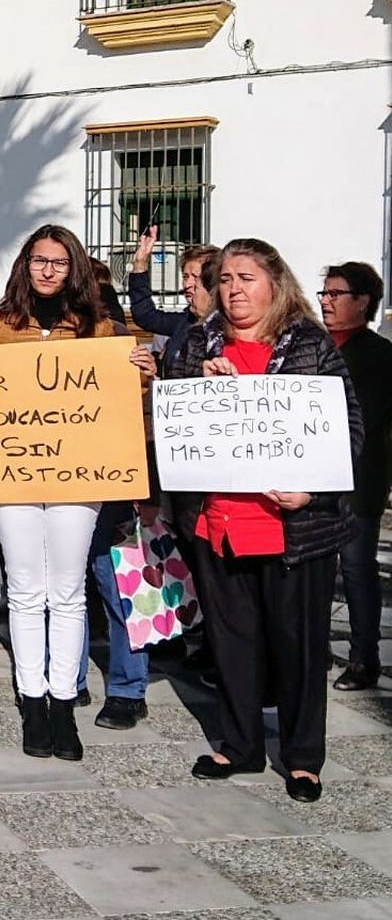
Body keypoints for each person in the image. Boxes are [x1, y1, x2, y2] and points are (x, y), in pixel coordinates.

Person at [169, 239, 363, 802]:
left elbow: (348, 431)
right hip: (219, 523)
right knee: (232, 644)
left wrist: (312, 492)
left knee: (298, 647)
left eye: (247, 278)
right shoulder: (198, 341)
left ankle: (303, 758)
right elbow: (173, 421)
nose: (234, 290)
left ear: (275, 283)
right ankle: (239, 743)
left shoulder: (309, 344)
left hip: (292, 531)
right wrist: (194, 390)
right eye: (225, 279)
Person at [0, 224, 157, 762]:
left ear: (73, 267)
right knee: (26, 589)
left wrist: (145, 371)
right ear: (24, 265)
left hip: (82, 475)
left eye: (58, 261)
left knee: (69, 589)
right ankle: (34, 701)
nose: (47, 270)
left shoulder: (104, 327)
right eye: (38, 260)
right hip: (11, 474)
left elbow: (128, 393)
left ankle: (62, 701)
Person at [317, 262, 391, 692]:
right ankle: (317, 648)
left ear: (362, 302)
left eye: (335, 294)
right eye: (324, 293)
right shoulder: (316, 347)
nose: (325, 301)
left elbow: (363, 417)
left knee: (358, 567)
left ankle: (366, 657)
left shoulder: (379, 356)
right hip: (314, 481)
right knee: (316, 569)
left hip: (359, 482)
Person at [128, 226, 219, 370]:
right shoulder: (185, 320)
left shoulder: (226, 326)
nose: (188, 284)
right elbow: (145, 316)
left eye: (195, 277)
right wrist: (140, 263)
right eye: (185, 277)